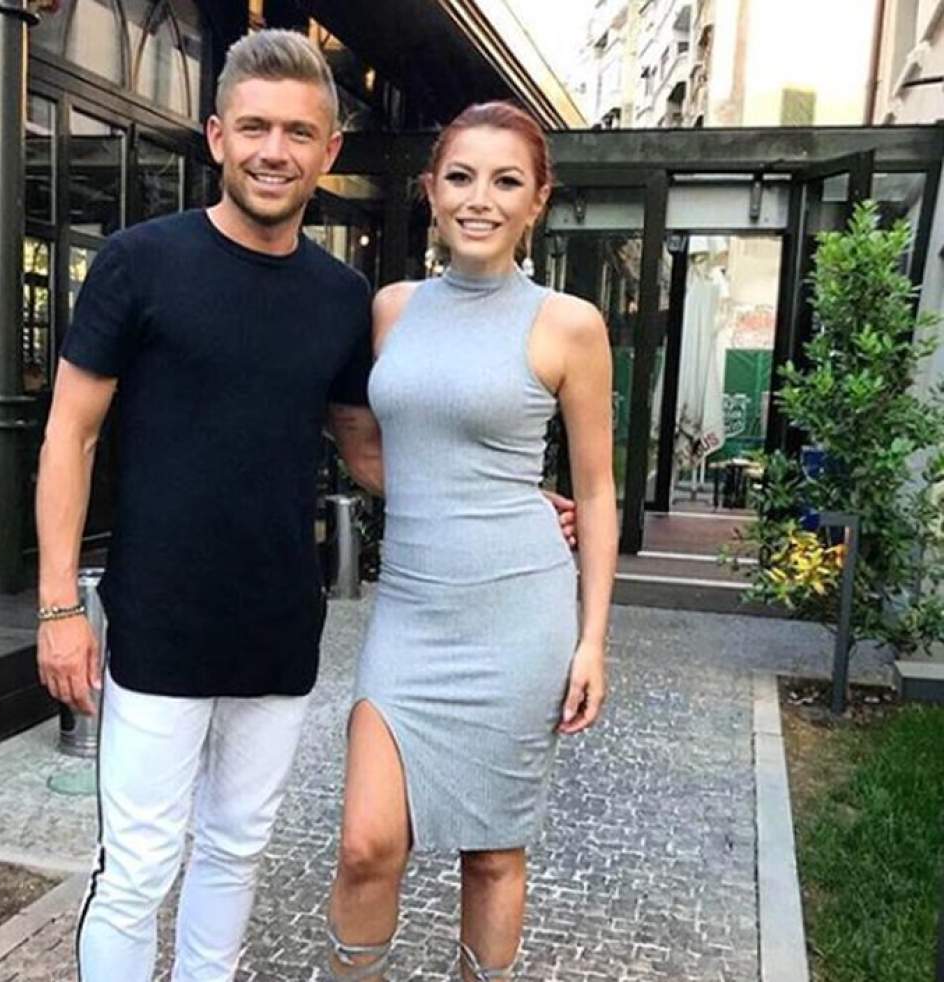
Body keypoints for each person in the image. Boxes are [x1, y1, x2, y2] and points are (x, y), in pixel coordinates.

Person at [35, 31, 578, 981]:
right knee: (138, 868)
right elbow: (68, 437)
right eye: (253, 127)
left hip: (281, 625)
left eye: (297, 132)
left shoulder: (341, 298)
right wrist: (57, 607)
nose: (272, 150)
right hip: (159, 617)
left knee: (235, 851)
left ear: (329, 151)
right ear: (216, 135)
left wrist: (503, 499)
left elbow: (368, 448)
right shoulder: (137, 263)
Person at [325, 102, 618, 981]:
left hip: (518, 617)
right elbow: (382, 450)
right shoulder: (392, 308)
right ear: (430, 191)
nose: (479, 199)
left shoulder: (569, 324)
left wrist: (593, 639)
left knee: (492, 854)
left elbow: (597, 492)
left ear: (538, 201)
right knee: (366, 844)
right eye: (460, 177)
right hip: (411, 613)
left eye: (505, 181)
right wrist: (476, 495)